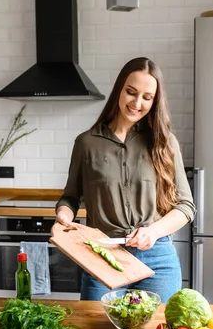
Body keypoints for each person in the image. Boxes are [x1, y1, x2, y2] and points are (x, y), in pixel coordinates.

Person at [55, 57, 196, 303]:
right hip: (103, 256)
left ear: (155, 101)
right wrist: (64, 216)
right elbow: (70, 197)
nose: (137, 103)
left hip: (157, 259)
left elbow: (186, 207)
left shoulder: (164, 143)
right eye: (131, 92)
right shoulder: (86, 143)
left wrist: (152, 232)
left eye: (147, 97)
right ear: (119, 89)